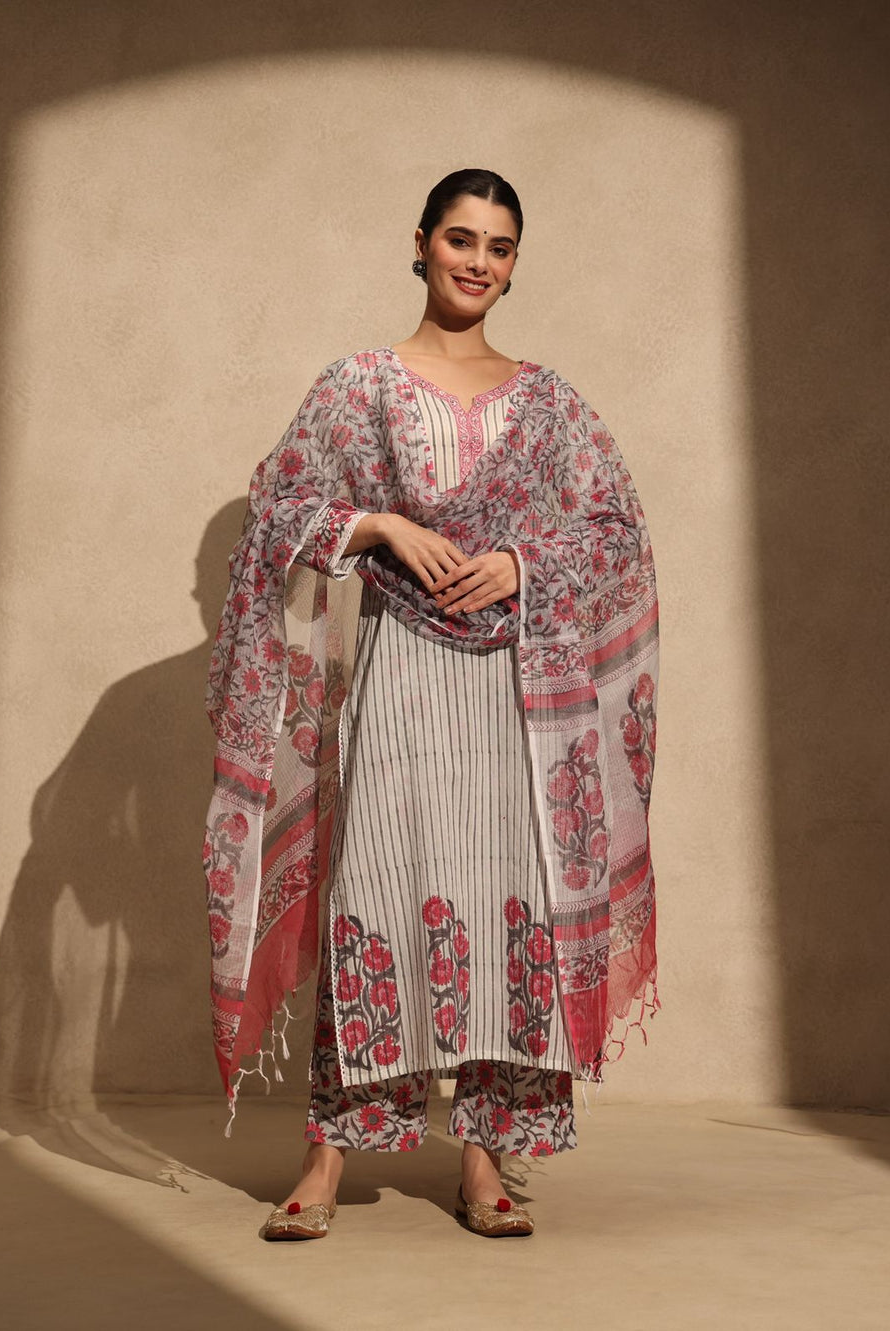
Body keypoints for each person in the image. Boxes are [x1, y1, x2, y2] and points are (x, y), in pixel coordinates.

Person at [202, 168, 660, 1241]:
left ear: (514, 264)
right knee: (375, 884)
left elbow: (615, 531)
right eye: (461, 239)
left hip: (517, 688)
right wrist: (378, 527)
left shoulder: (548, 401)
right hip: (402, 665)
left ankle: (484, 1157)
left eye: (499, 247)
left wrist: (519, 563)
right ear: (420, 244)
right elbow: (278, 505)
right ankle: (327, 1155)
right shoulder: (358, 386)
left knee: (510, 893)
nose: (478, 262)